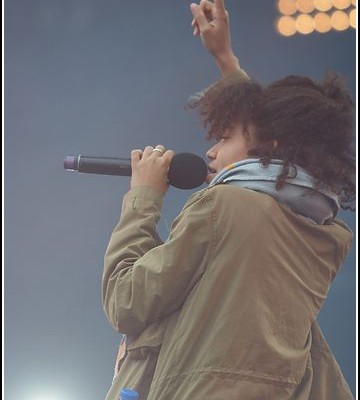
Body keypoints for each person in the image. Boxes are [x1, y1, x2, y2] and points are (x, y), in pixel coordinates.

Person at [101, 0, 356, 399]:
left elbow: (127, 301)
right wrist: (226, 60)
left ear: (270, 144)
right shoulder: (321, 234)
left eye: (223, 137)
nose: (211, 153)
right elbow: (271, 152)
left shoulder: (223, 206)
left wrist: (142, 200)